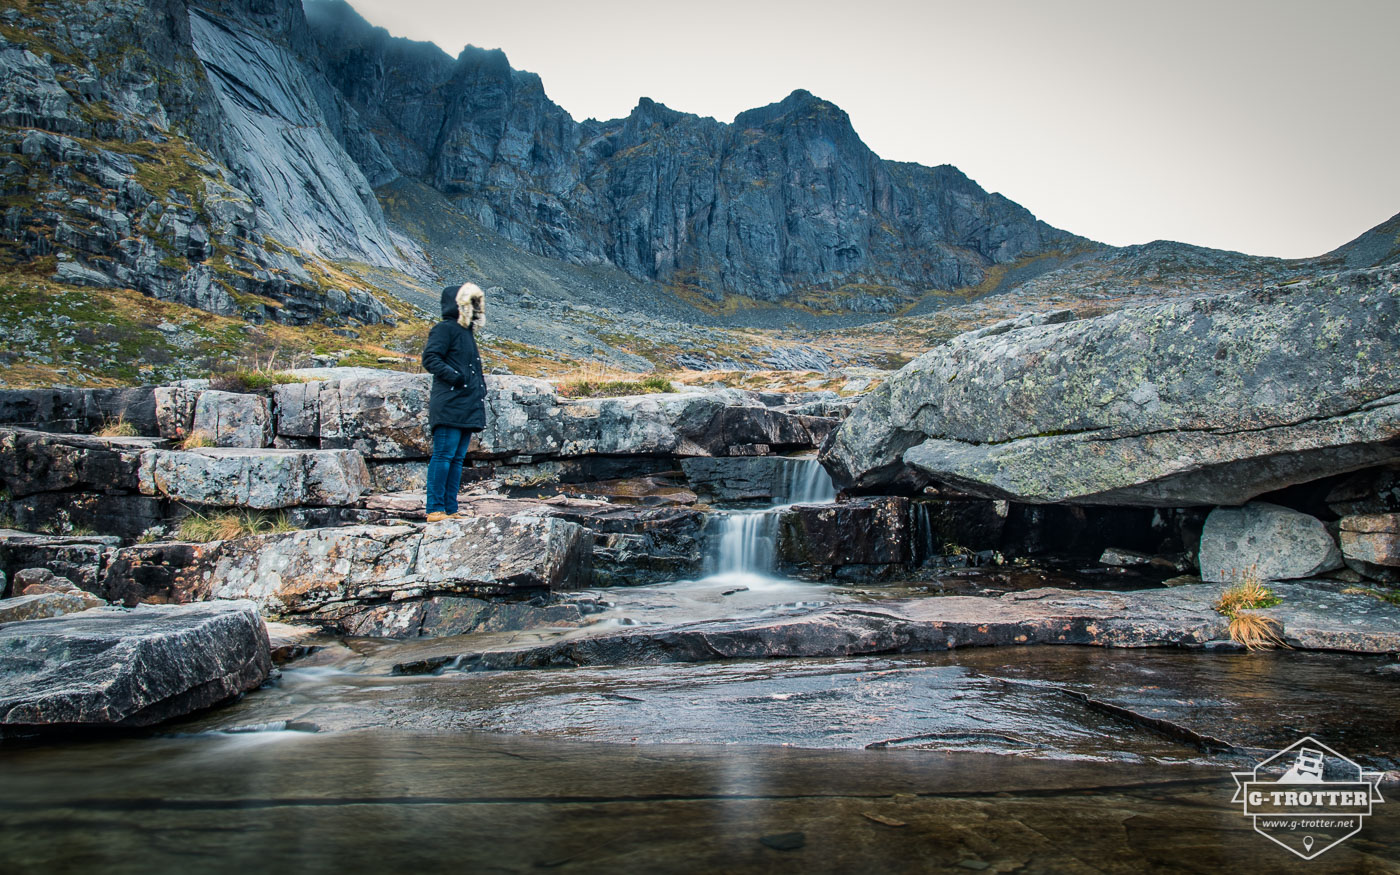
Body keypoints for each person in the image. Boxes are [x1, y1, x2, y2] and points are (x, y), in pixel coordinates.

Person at [420, 282, 487, 521]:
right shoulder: (445, 329)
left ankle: (450, 508)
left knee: (457, 458)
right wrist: (456, 379)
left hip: (466, 404)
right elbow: (430, 358)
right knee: (444, 455)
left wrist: (479, 389)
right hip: (450, 402)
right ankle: (435, 509)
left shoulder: (466, 332)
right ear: (459, 304)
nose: (475, 308)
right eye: (471, 303)